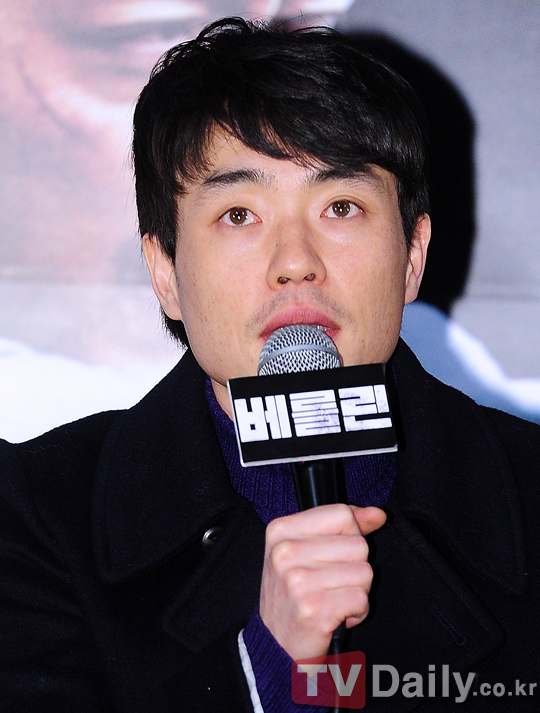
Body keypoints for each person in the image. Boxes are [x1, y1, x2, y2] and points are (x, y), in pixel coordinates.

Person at [1, 16, 539, 712]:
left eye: (340, 206)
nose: (295, 263)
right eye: (239, 215)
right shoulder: (37, 517)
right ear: (165, 271)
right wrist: (270, 665)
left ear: (412, 256)